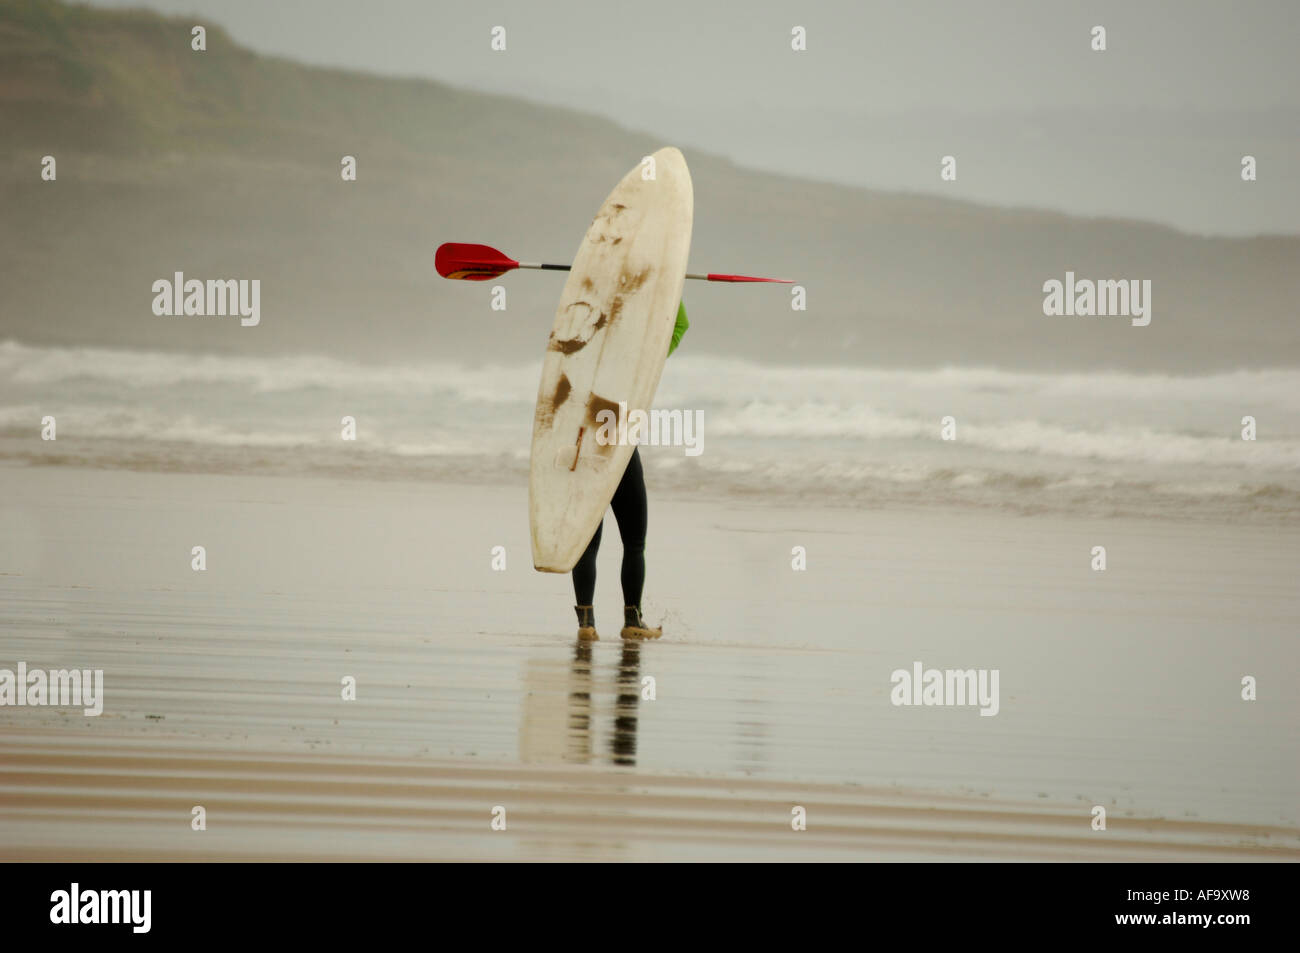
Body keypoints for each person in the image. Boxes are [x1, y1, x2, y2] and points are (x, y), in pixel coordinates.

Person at [573, 301, 689, 641]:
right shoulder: (642, 359)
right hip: (621, 450)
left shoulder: (580, 353)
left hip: (585, 449)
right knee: (634, 541)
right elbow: (680, 324)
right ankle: (632, 621)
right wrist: (667, 285)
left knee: (586, 544)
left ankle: (586, 625)